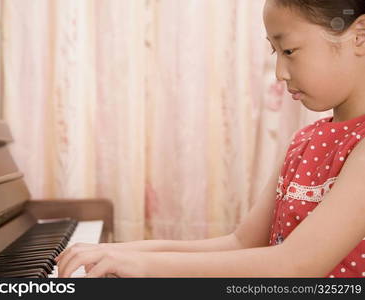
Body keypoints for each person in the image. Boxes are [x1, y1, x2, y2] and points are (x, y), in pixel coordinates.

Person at [55, 0, 365, 278]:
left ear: (359, 35)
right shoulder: (304, 141)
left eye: (288, 51)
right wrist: (125, 252)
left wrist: (143, 267)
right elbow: (241, 242)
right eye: (274, 51)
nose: (279, 72)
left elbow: (295, 265)